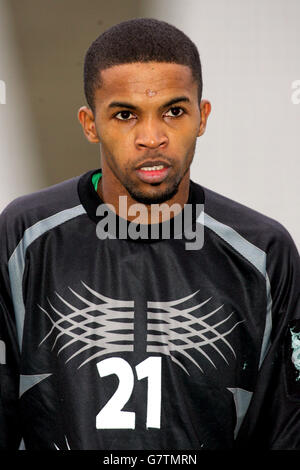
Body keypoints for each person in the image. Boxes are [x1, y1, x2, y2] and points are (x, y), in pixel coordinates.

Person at [0, 17, 299, 451]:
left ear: (202, 116)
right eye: (125, 115)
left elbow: (287, 430)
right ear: (89, 123)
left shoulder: (264, 252)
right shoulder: (22, 237)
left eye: (174, 111)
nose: (152, 137)